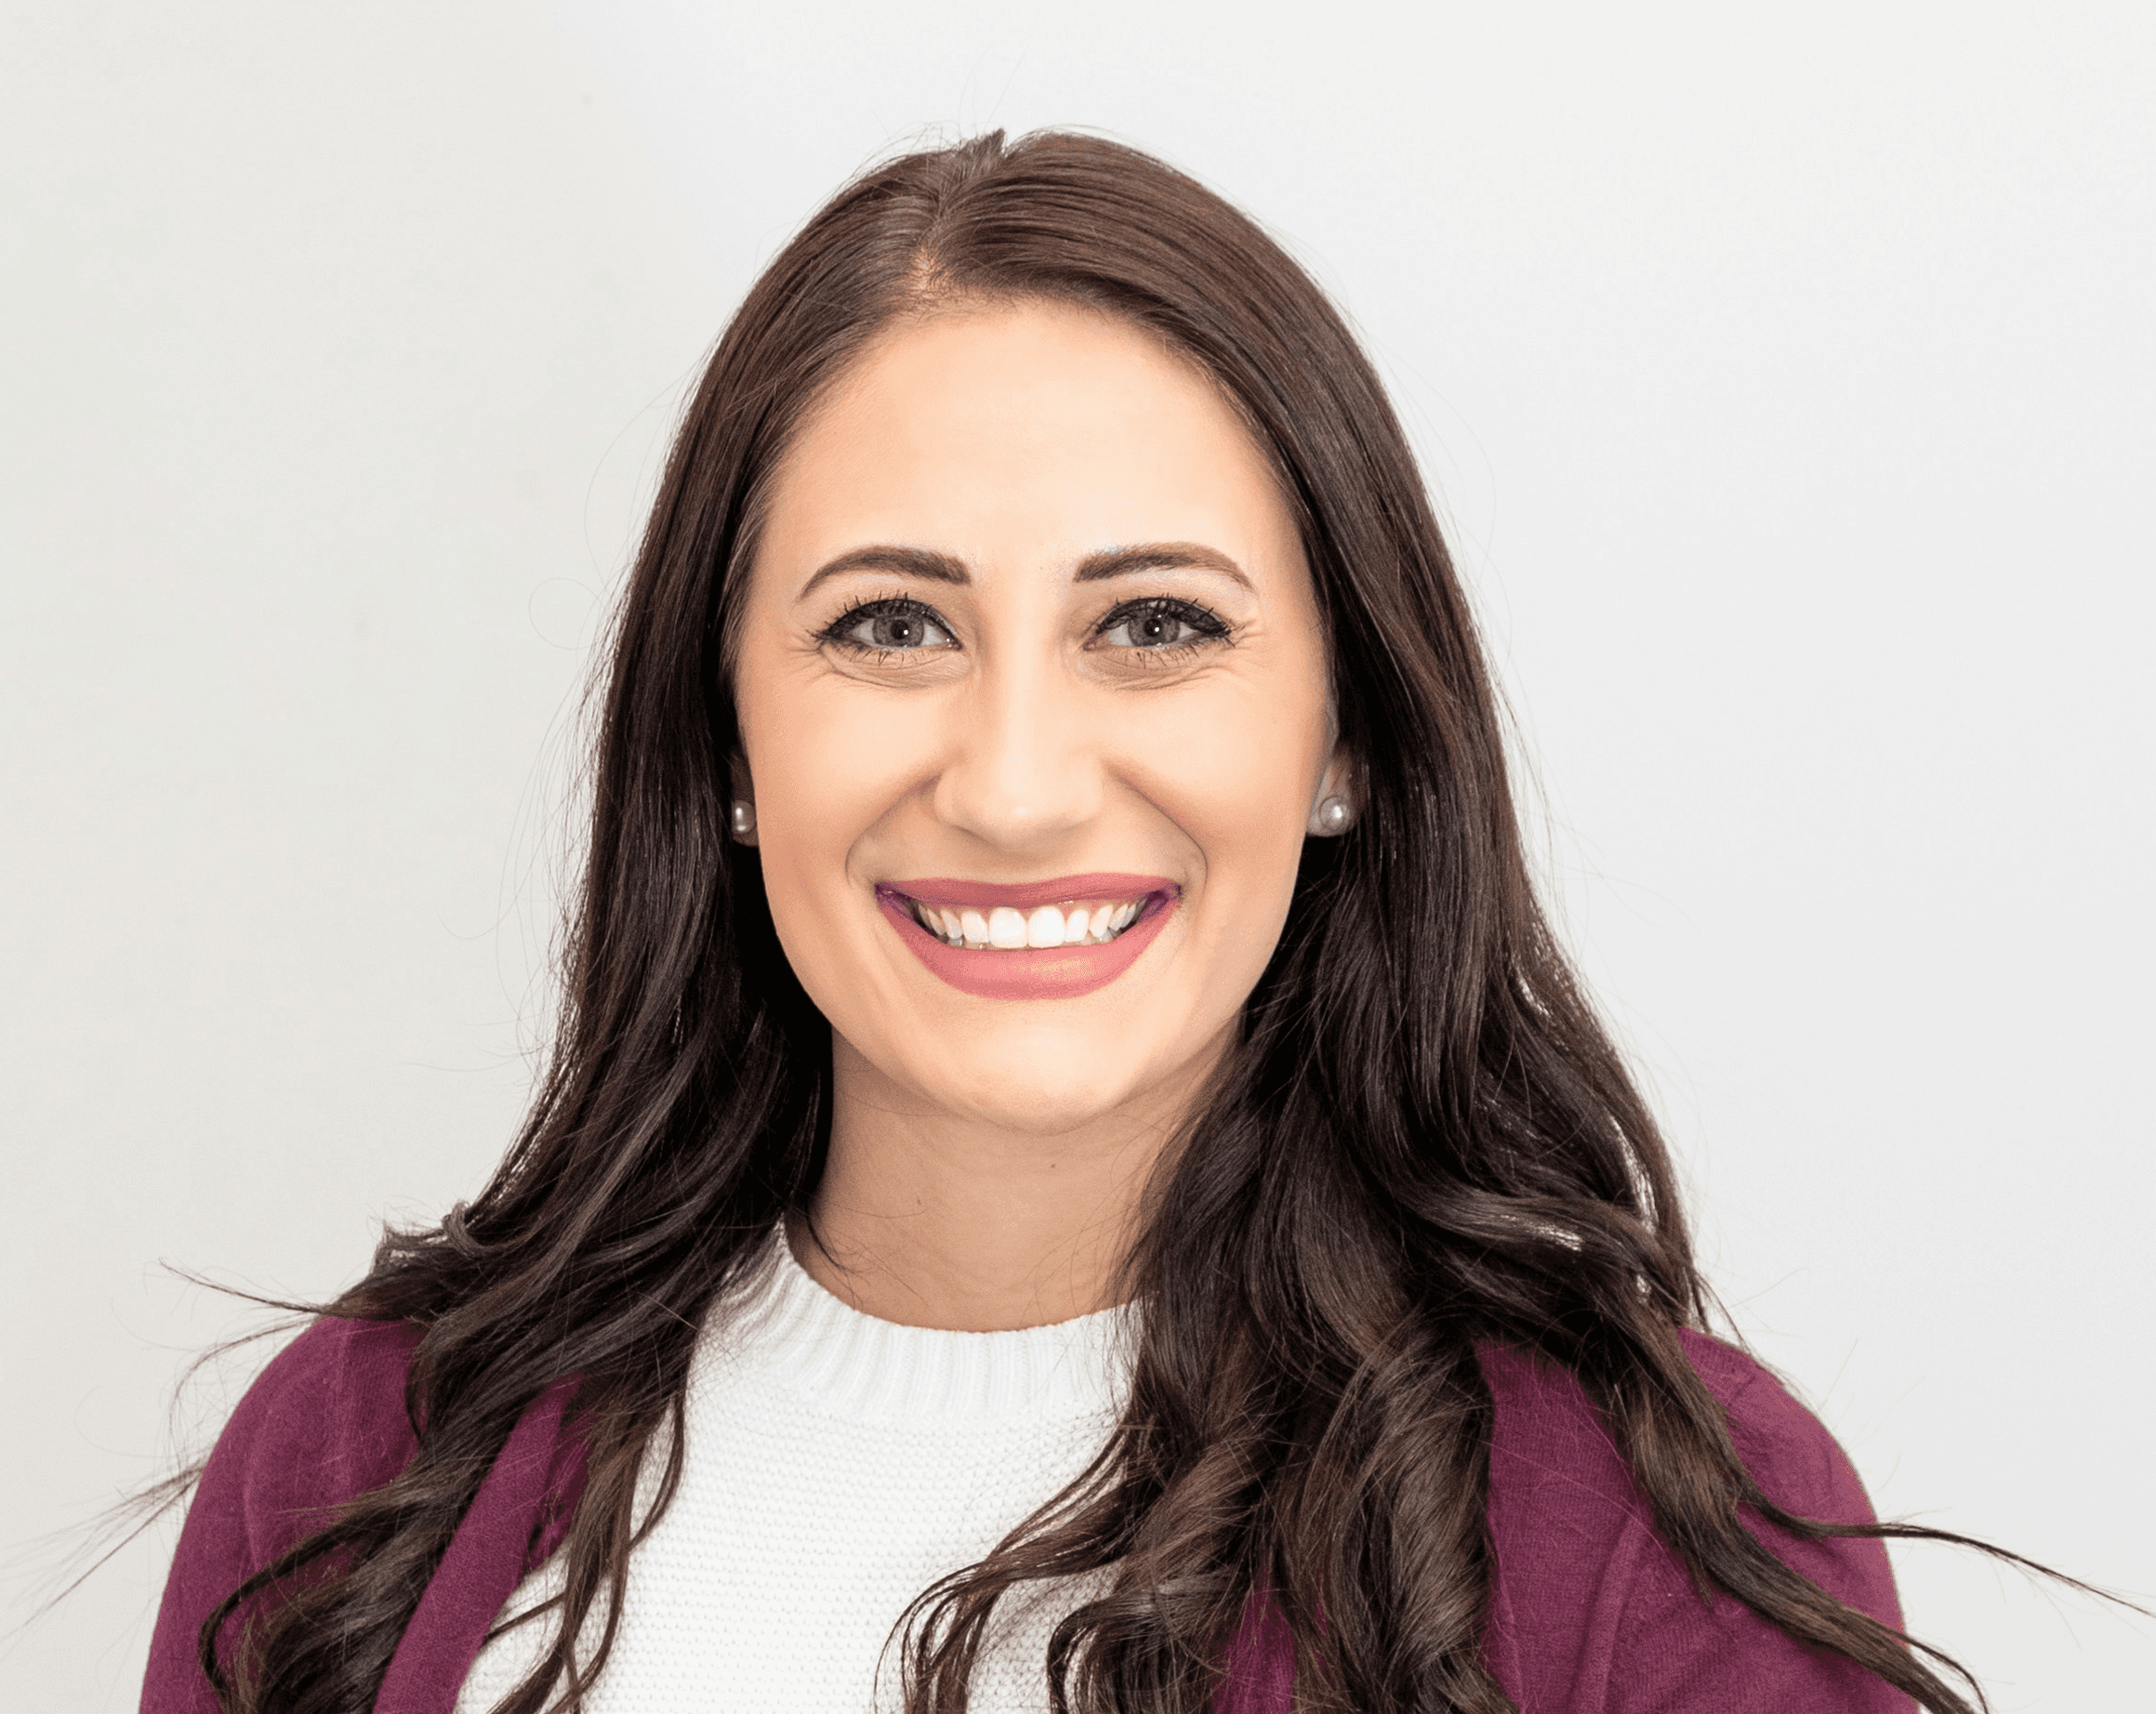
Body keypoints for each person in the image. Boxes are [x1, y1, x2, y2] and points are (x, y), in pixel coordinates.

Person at [141, 129, 1984, 1714]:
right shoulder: (354, 1459)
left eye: (1158, 625)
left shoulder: (1661, 1537)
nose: (1014, 785)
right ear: (725, 737)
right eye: (889, 624)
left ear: (1344, 734)